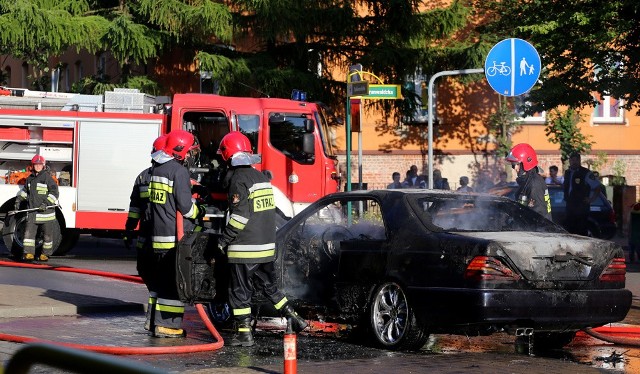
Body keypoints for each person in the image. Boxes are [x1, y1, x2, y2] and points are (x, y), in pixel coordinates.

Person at [216, 131, 308, 347]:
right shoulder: (260, 177)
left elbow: (239, 217)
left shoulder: (238, 180)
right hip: (266, 247)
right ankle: (293, 317)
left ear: (228, 155)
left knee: (240, 292)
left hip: (244, 248)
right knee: (270, 288)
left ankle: (244, 335)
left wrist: (223, 241)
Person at [147, 129, 206, 338]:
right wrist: (201, 210)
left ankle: (154, 322)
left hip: (158, 236)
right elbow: (186, 208)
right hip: (173, 237)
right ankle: (168, 326)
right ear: (180, 150)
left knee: (161, 281)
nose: (190, 155)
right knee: (174, 283)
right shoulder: (178, 172)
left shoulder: (158, 169)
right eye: (189, 151)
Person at [124, 135, 167, 333]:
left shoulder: (142, 176)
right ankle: (157, 321)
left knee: (151, 279)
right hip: (163, 240)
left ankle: (152, 320)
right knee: (160, 281)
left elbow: (135, 209)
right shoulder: (172, 175)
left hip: (144, 239)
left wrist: (129, 229)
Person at [14, 155, 59, 262]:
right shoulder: (30, 178)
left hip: (46, 214)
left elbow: (54, 193)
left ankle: (45, 254)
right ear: (33, 165)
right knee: (28, 235)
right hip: (33, 213)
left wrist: (46, 203)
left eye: (40, 164)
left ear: (43, 165)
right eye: (36, 164)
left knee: (47, 236)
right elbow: (26, 191)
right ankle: (29, 254)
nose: (38, 166)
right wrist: (19, 199)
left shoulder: (47, 178)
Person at [505, 143, 551, 220]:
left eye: (516, 164)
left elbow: (537, 217)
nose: (515, 168)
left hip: (536, 231)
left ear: (526, 162)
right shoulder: (526, 182)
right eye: (513, 165)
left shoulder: (534, 184)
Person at [563, 152, 601, 236]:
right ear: (569, 161)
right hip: (570, 207)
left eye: (576, 160)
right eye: (572, 160)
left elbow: (597, 187)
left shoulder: (586, 173)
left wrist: (591, 199)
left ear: (580, 161)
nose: (574, 162)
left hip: (581, 208)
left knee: (580, 232)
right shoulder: (567, 173)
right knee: (569, 233)